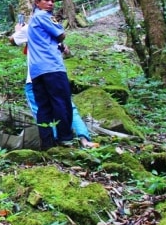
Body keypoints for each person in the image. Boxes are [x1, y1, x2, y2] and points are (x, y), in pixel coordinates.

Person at [10, 21, 99, 149]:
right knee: (67, 108)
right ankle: (83, 140)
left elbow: (12, 40)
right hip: (56, 76)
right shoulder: (53, 34)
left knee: (42, 112)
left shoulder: (31, 29)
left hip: (36, 79)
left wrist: (18, 30)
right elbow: (66, 50)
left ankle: (55, 143)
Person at [26, 0, 74, 150]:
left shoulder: (32, 20)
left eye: (53, 1)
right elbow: (61, 34)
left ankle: (46, 142)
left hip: (36, 70)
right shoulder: (43, 17)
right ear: (37, 2)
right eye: (46, 0)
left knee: (44, 106)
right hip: (52, 67)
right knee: (61, 102)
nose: (50, 3)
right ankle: (65, 138)